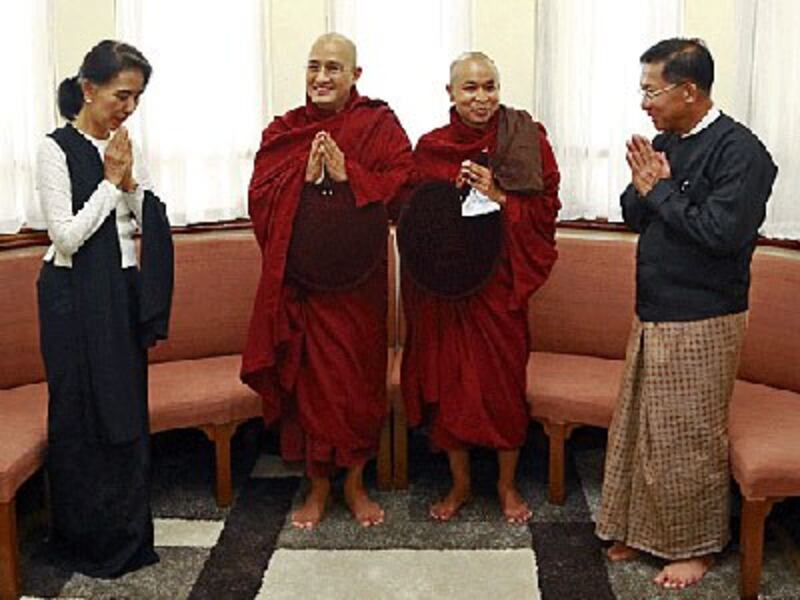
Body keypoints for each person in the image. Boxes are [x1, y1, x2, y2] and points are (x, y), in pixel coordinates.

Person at [596, 38, 777, 589]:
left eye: (652, 92)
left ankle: (696, 546)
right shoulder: (664, 140)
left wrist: (663, 188)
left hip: (705, 315)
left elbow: (721, 235)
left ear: (689, 91)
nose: (645, 103)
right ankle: (642, 529)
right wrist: (646, 183)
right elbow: (636, 215)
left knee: (688, 436)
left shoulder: (741, 152)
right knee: (646, 428)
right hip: (655, 309)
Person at [241, 33, 413, 528]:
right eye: (314, 66)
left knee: (357, 387)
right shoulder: (284, 131)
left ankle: (356, 486)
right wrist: (301, 175)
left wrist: (349, 174)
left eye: (334, 68)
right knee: (312, 390)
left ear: (356, 75)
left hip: (360, 284)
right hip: (305, 287)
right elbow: (260, 196)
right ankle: (317, 490)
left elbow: (404, 182)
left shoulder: (377, 124)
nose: (321, 77)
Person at [400, 52, 561, 524]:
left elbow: (545, 210)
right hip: (450, 291)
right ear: (449, 93)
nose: (482, 97)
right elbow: (414, 217)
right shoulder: (432, 147)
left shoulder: (525, 139)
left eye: (490, 86)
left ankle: (507, 485)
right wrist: (446, 197)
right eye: (470, 88)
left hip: (499, 287)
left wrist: (500, 196)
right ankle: (461, 484)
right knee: (453, 389)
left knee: (502, 388)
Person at [36, 40, 173, 577]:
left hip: (118, 293)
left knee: (124, 410)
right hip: (71, 300)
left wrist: (131, 185)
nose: (129, 108)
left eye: (137, 97)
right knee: (81, 414)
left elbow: (143, 219)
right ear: (88, 90)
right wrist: (110, 182)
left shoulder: (120, 147)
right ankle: (84, 541)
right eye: (122, 95)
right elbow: (66, 236)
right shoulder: (56, 148)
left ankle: (127, 537)